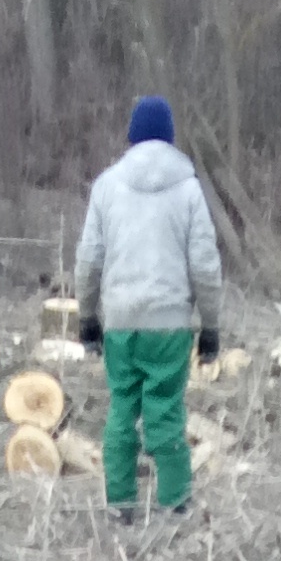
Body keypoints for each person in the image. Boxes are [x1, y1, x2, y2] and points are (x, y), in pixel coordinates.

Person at [73, 94, 222, 521]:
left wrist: (87, 317)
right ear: (171, 139)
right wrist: (210, 326)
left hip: (121, 321)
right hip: (171, 324)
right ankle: (175, 502)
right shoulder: (190, 190)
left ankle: (121, 504)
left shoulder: (106, 186)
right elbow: (206, 266)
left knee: (122, 408)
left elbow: (89, 259)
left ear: (131, 137)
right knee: (166, 410)